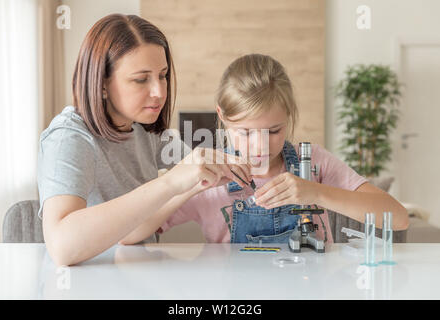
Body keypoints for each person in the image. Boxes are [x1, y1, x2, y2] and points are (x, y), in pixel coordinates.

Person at [121, 53, 409, 245]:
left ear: (289, 117)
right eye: (245, 132)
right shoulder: (207, 174)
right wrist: (189, 187)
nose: (260, 146)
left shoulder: (315, 163)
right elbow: (130, 234)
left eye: (273, 131)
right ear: (221, 116)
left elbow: (397, 217)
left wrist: (316, 192)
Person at [37, 14, 250, 266]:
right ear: (102, 84)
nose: (159, 92)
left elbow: (194, 170)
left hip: (136, 273)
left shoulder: (144, 128)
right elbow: (62, 247)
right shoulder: (69, 138)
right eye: (141, 79)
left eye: (163, 75)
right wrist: (170, 182)